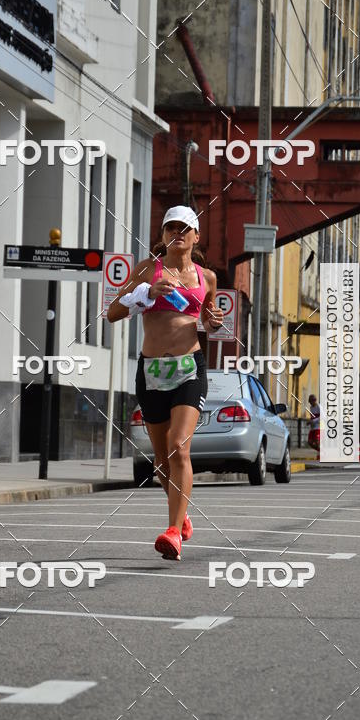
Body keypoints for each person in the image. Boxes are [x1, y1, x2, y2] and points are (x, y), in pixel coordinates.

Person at [107, 205, 223, 560]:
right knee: (160, 460)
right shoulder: (146, 269)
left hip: (190, 367)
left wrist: (214, 322)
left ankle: (173, 532)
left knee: (178, 446)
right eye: (171, 227)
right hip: (152, 370)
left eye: (184, 228)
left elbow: (209, 321)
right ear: (162, 235)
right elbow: (112, 313)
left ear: (196, 236)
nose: (178, 233)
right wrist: (147, 293)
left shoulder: (208, 278)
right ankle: (182, 513)